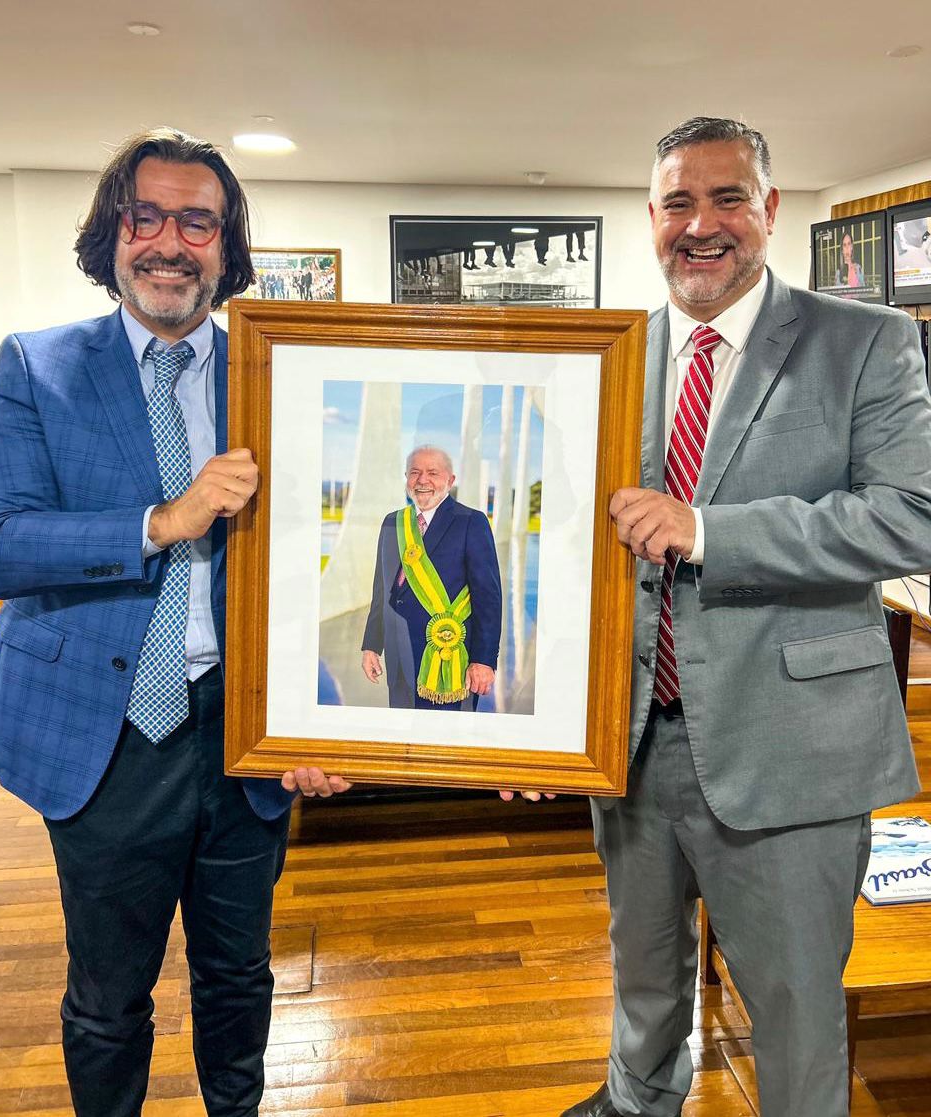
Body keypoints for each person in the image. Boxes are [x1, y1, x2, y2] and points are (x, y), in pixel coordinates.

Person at [0, 127, 351, 1117]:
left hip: (243, 731)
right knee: (108, 997)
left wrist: (325, 716)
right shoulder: (36, 366)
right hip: (104, 739)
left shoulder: (278, 377)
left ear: (227, 248)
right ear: (114, 232)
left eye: (199, 221)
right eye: (147, 216)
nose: (171, 243)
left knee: (240, 976)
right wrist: (160, 523)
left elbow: (323, 562)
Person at [558, 117, 931, 1117]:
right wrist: (529, 722)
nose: (702, 224)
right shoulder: (610, 356)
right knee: (642, 967)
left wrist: (709, 529)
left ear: (769, 210)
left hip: (791, 740)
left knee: (796, 1002)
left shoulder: (867, 342)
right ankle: (641, 1099)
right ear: (651, 219)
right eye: (679, 201)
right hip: (631, 738)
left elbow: (912, 517)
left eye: (729, 198)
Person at [361, 446, 502, 710]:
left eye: (432, 473)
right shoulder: (392, 523)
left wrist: (484, 660)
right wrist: (371, 646)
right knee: (404, 739)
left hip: (450, 656)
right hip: (398, 654)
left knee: (449, 741)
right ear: (406, 478)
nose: (422, 480)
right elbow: (381, 590)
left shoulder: (472, 522)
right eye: (415, 472)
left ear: (450, 480)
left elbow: (488, 598)